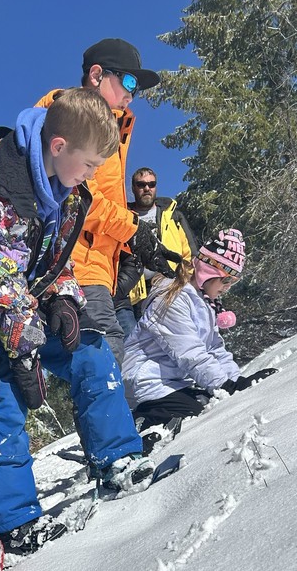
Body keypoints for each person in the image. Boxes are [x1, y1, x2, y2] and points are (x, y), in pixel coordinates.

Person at [0, 88, 154, 553]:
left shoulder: (64, 193)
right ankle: (12, 521)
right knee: (5, 400)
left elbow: (55, 258)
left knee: (91, 352)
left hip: (25, 309)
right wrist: (25, 353)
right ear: (59, 146)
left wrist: (64, 301)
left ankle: (116, 458)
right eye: (89, 164)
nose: (91, 175)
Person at [36, 38, 166, 365]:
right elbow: (79, 197)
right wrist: (133, 231)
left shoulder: (115, 126)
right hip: (75, 262)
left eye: (138, 88)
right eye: (129, 81)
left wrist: (126, 256)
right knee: (104, 357)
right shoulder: (68, 115)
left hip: (99, 268)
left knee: (94, 363)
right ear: (97, 75)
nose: (133, 94)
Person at [122, 230, 277, 441]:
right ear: (208, 271)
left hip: (172, 381)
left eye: (234, 281)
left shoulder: (203, 303)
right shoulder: (172, 299)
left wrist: (236, 381)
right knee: (197, 416)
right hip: (146, 381)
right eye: (226, 279)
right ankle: (141, 425)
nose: (228, 287)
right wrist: (226, 386)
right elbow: (190, 354)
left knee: (209, 403)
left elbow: (215, 349)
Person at [114, 166, 199, 337]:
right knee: (133, 344)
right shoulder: (122, 216)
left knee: (172, 341)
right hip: (132, 294)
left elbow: (190, 254)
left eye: (151, 184)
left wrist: (185, 284)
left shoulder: (173, 216)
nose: (147, 188)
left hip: (168, 291)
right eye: (141, 184)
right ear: (133, 188)